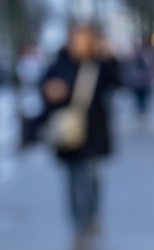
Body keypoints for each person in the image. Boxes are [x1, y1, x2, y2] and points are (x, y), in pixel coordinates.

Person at [38, 25, 119, 247]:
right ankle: (79, 227)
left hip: (93, 133)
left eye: (85, 41)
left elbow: (116, 80)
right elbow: (43, 90)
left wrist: (110, 54)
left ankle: (92, 215)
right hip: (68, 135)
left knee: (93, 179)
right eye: (76, 40)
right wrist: (50, 91)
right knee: (74, 184)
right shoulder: (58, 64)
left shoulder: (98, 64)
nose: (79, 45)